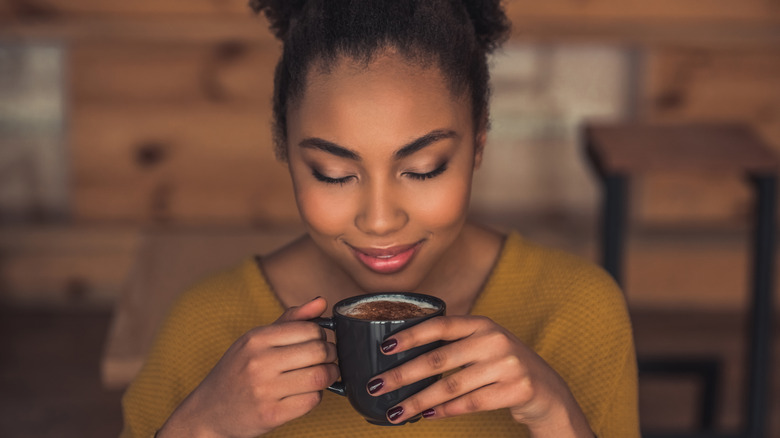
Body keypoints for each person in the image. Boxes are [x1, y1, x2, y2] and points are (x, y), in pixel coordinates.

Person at [120, 0, 639, 436]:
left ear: (478, 144)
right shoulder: (208, 323)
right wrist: (200, 425)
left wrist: (556, 413)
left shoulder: (576, 309)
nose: (381, 221)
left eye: (423, 169)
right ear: (283, 148)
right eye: (333, 174)